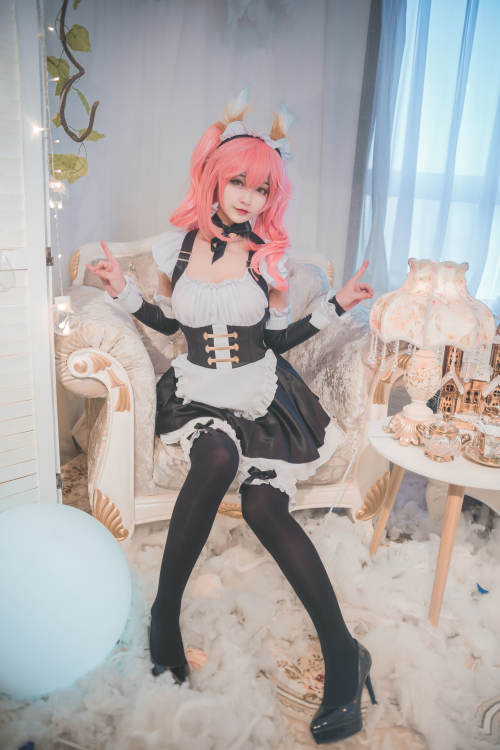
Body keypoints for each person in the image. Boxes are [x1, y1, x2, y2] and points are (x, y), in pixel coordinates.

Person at [87, 103, 375, 745]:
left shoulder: (268, 258)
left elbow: (278, 338)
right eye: (238, 181)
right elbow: (170, 323)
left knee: (265, 507)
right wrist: (120, 291)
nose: (248, 197)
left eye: (262, 187)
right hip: (197, 391)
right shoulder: (176, 249)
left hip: (261, 390)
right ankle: (166, 614)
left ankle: (344, 651)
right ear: (213, 179)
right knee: (215, 455)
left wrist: (337, 304)